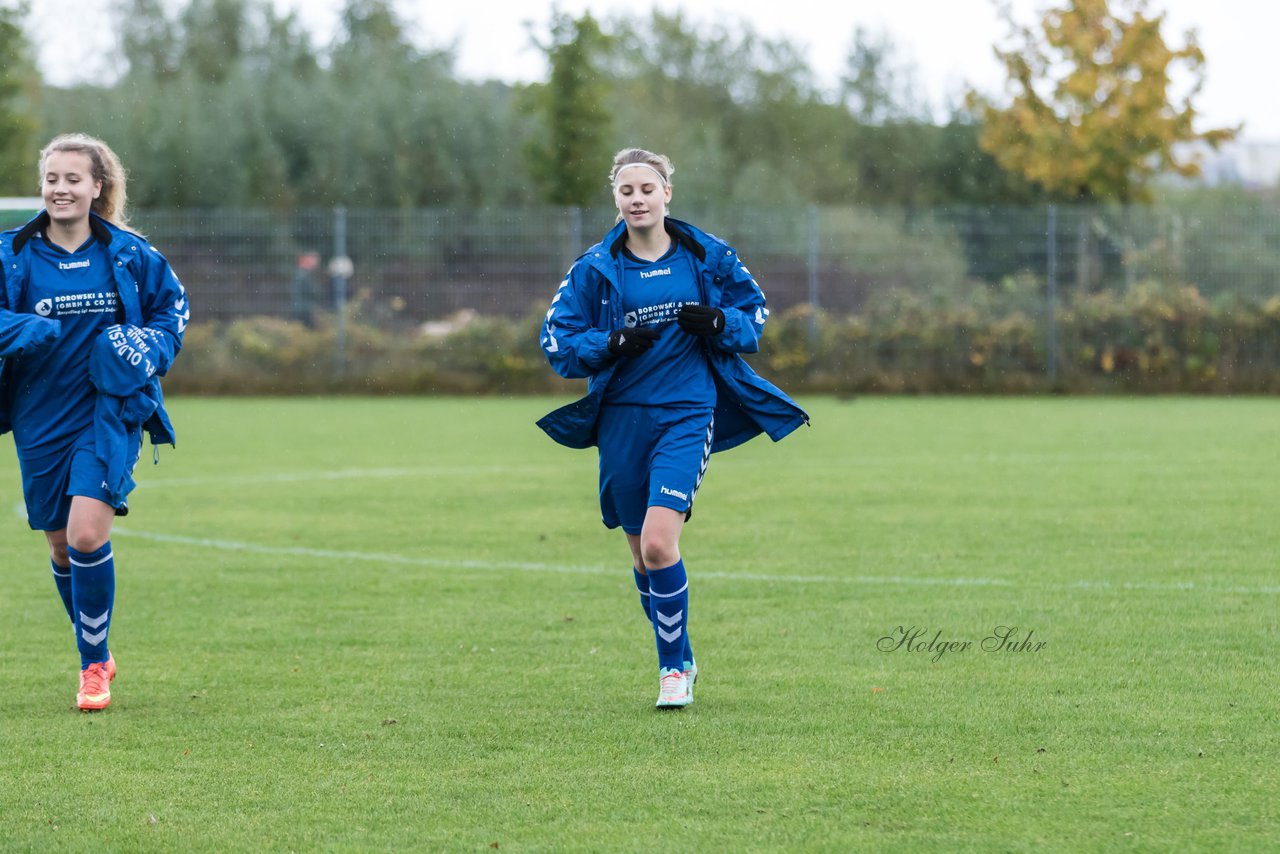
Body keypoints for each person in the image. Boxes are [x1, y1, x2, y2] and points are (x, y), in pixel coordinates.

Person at [536, 147, 808, 708]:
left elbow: (754, 315)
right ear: (616, 198)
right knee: (641, 557)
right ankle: (681, 654)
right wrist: (606, 344)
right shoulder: (595, 267)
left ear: (666, 194)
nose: (637, 199)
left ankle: (670, 673)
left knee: (661, 544)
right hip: (621, 419)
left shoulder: (707, 256)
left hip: (688, 412)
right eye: (626, 191)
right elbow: (556, 341)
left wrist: (719, 323)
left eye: (647, 189)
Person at [0, 133, 189, 711]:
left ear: (97, 188)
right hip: (39, 413)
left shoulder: (130, 253)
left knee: (86, 534)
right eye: (53, 178)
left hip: (108, 414)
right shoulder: (13, 253)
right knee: (60, 546)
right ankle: (98, 652)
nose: (61, 188)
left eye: (73, 179)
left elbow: (172, 316)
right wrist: (21, 328)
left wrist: (146, 347)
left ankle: (92, 668)